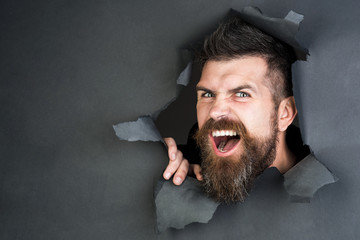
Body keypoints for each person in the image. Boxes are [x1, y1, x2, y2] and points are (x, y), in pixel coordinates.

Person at [162, 16, 310, 203]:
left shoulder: (323, 193)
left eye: (241, 94)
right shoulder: (187, 165)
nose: (216, 111)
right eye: (207, 95)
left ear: (284, 113)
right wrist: (160, 162)